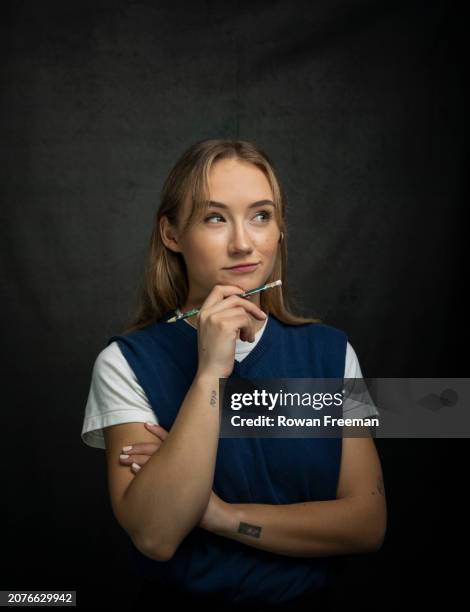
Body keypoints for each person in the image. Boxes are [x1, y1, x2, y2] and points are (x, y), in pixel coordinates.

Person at [81, 139, 386, 610]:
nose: (244, 242)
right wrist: (210, 373)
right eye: (215, 217)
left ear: (280, 229)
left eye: (262, 215)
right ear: (172, 233)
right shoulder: (125, 363)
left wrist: (221, 516)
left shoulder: (331, 353)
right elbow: (157, 535)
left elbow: (366, 524)